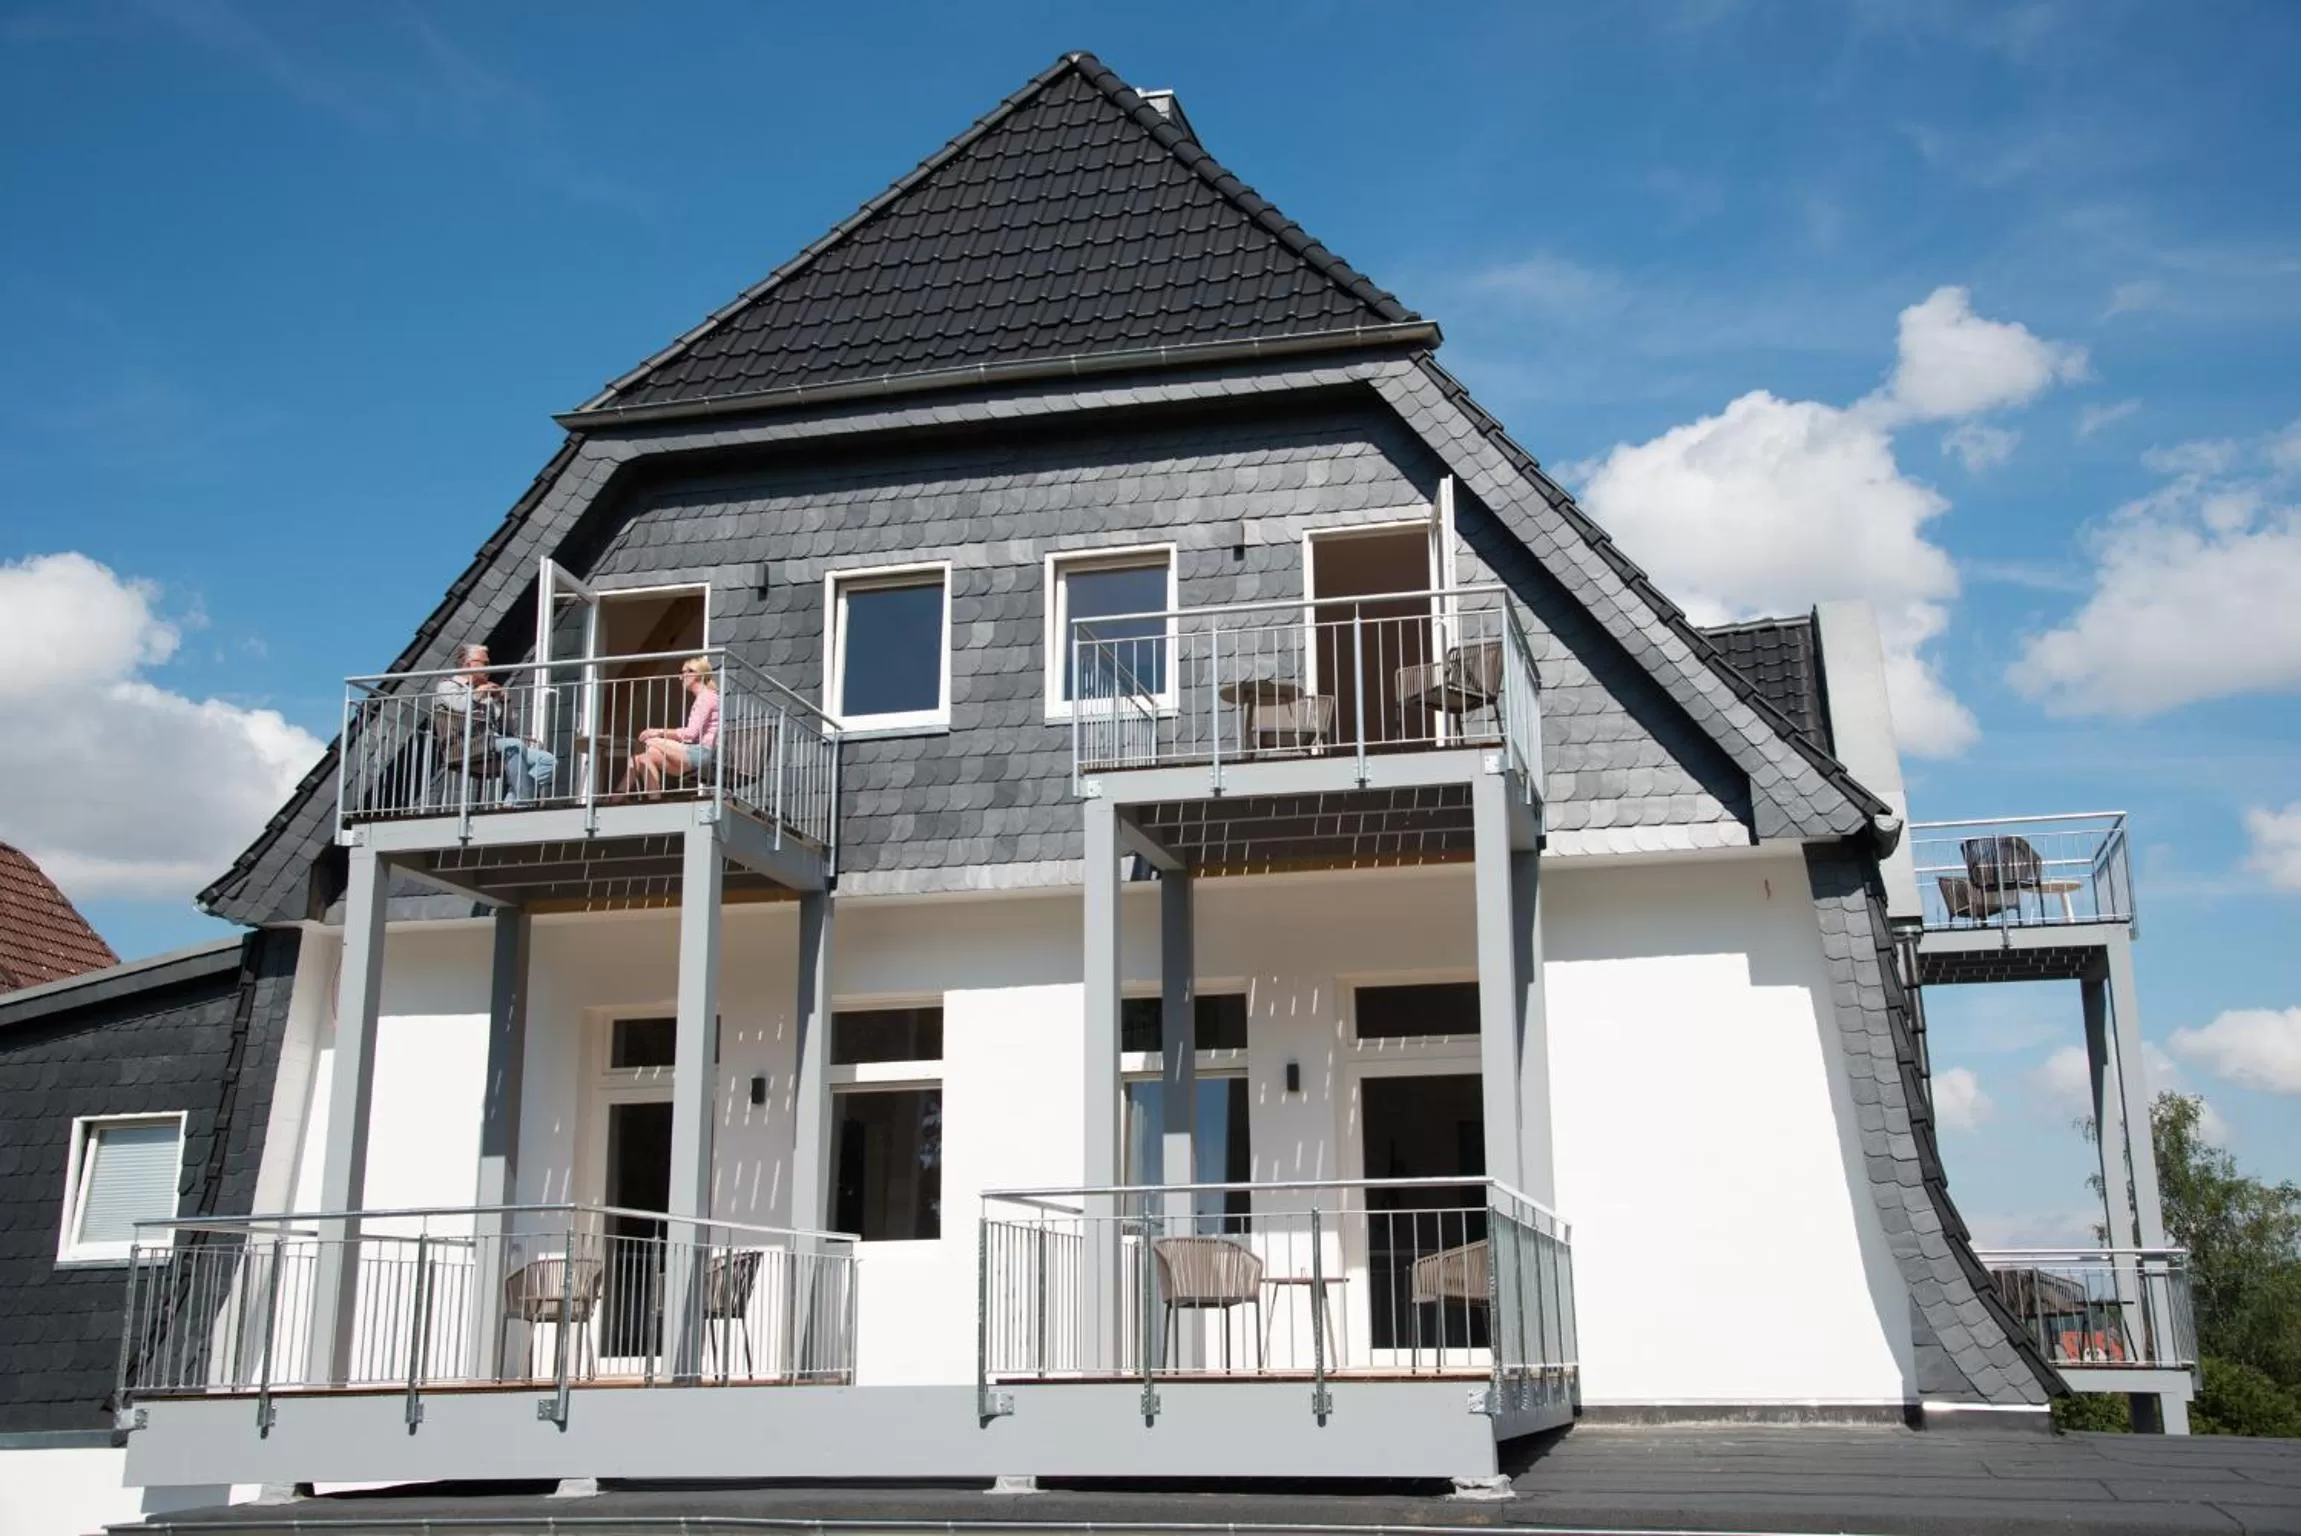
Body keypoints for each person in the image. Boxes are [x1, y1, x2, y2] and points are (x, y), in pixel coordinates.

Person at [434, 644, 558, 805]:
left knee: (547, 760)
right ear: (469, 664)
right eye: (485, 663)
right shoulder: (448, 685)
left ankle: (512, 803)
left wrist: (504, 701)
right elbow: (461, 706)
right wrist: (479, 693)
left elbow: (507, 730)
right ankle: (524, 802)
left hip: (491, 742)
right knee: (514, 746)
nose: (489, 668)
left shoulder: (485, 692)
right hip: (464, 744)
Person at [617, 656, 719, 797]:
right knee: (643, 757)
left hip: (700, 753)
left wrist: (657, 732)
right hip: (693, 752)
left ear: (696, 674)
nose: (680, 677)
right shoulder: (706, 697)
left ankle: (618, 797)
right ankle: (646, 800)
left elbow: (690, 734)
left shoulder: (706, 697)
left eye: (683, 672)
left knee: (647, 741)